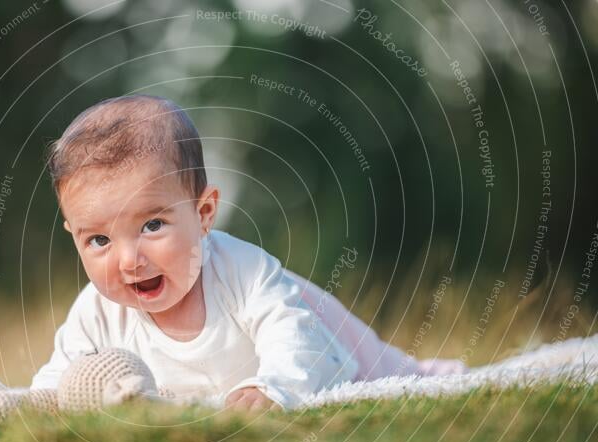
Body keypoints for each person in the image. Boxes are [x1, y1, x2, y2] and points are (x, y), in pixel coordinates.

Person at [30, 94, 465, 412]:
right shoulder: (96, 311)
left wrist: (272, 389)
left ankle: (437, 376)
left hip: (334, 354)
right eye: (99, 240)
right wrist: (26, 406)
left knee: (410, 379)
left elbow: (293, 335)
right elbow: (61, 377)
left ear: (203, 214)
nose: (128, 260)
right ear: (74, 236)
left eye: (152, 225)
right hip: (234, 393)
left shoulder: (243, 272)